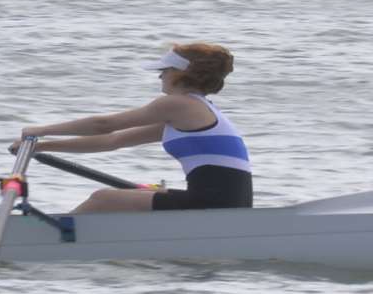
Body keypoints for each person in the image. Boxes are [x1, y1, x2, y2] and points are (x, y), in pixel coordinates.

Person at [15, 42, 251, 213]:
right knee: (138, 195)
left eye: (164, 71)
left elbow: (104, 125)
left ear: (179, 74)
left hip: (212, 202)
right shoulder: (194, 111)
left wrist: (40, 130)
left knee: (102, 199)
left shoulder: (178, 104)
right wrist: (41, 148)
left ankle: (52, 240)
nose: (160, 77)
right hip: (231, 202)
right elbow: (112, 141)